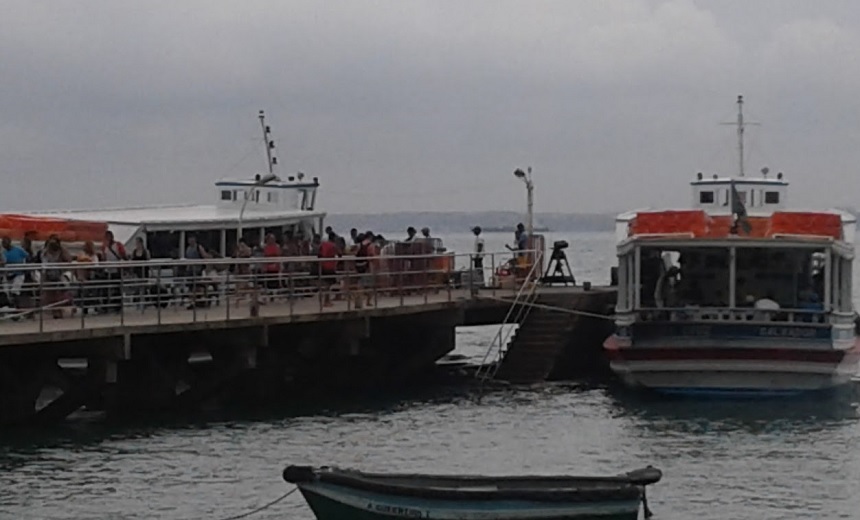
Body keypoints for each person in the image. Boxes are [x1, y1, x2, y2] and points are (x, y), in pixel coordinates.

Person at [101, 230, 127, 312]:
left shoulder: (118, 245)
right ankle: (106, 305)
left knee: (117, 288)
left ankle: (117, 306)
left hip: (117, 269)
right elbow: (104, 257)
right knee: (106, 288)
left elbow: (123, 255)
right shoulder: (104, 246)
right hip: (107, 270)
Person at [1, 236, 29, 309]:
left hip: (19, 274)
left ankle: (18, 307)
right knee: (6, 292)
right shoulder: (4, 253)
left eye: (5, 242)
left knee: (15, 291)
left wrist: (24, 267)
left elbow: (27, 257)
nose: (4, 244)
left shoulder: (19, 250)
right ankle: (11, 307)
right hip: (8, 275)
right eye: (3, 243)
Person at [317, 235, 339, 307]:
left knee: (326, 284)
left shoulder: (323, 244)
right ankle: (326, 301)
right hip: (330, 266)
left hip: (323, 265)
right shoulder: (333, 245)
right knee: (328, 285)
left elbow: (320, 254)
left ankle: (326, 300)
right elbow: (339, 253)